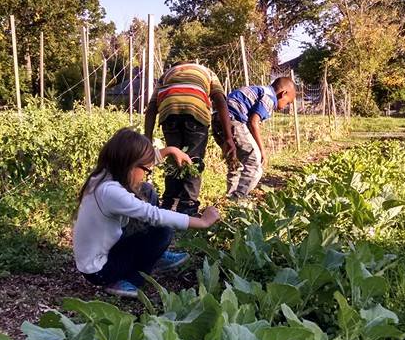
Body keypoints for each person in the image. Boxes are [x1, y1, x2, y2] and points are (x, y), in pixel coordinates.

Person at [73, 128, 221, 298]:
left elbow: (142, 162)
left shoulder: (104, 174)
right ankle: (129, 280)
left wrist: (170, 150)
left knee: (146, 190)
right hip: (100, 269)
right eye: (146, 170)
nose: (146, 174)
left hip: (100, 252)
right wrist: (202, 222)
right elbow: (155, 215)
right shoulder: (110, 192)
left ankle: (154, 253)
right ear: (130, 166)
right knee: (162, 230)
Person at [144, 62, 235, 215]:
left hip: (169, 110)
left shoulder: (166, 74)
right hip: (195, 110)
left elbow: (152, 107)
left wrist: (147, 137)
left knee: (174, 158)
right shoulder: (207, 71)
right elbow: (220, 101)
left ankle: (168, 203)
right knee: (193, 160)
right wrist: (228, 138)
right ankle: (188, 206)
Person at [212, 76, 296, 200]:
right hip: (233, 122)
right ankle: (239, 199)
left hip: (218, 121)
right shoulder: (270, 97)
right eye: (288, 102)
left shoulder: (259, 90)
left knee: (235, 162)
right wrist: (262, 151)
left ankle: (230, 198)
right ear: (283, 94)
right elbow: (253, 122)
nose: (285, 106)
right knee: (254, 163)